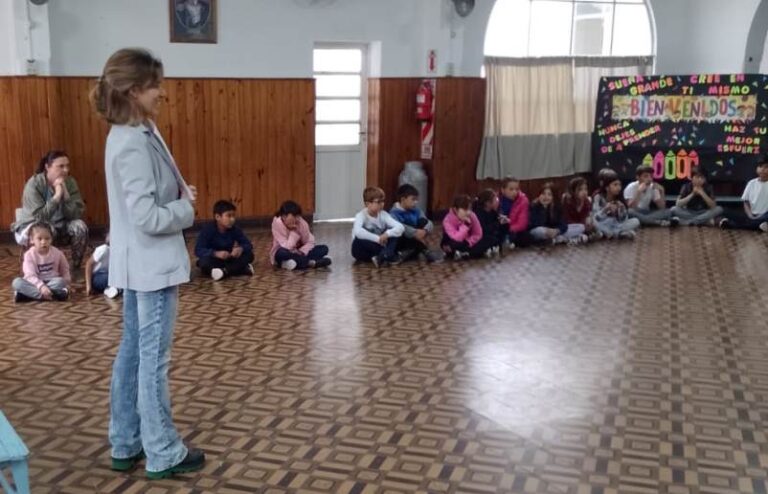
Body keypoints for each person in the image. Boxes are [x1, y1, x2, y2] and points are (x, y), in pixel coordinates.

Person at [91, 47, 205, 479]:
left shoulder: (135, 130)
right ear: (135, 90)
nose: (162, 92)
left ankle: (125, 442)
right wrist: (184, 210)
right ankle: (162, 451)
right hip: (150, 265)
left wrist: (176, 192)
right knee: (151, 360)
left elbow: (151, 196)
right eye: (155, 85)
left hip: (140, 262)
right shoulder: (130, 144)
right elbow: (146, 217)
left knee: (133, 354)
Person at [11, 150, 88, 268]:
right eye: (61, 166)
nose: (66, 170)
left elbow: (76, 214)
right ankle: (43, 268)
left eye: (67, 166)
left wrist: (66, 196)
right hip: (37, 226)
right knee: (47, 229)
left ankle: (75, 267)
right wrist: (57, 197)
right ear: (47, 167)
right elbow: (39, 217)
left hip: (62, 225)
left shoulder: (70, 182)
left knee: (80, 226)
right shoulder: (34, 184)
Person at [194, 200, 255, 280]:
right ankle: (241, 269)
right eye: (228, 216)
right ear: (217, 217)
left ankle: (224, 272)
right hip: (215, 259)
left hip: (230, 258)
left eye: (233, 216)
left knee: (249, 255)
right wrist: (215, 253)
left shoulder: (235, 229)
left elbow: (248, 244)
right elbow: (198, 250)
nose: (232, 219)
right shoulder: (207, 230)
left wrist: (240, 249)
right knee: (203, 262)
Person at [12, 222, 71, 303]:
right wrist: (41, 287)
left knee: (60, 281)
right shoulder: (29, 255)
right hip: (34, 283)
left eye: (47, 238)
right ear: (32, 240)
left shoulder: (58, 253)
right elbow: (29, 275)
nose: (43, 242)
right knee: (17, 282)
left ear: (51, 239)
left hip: (52, 282)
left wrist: (67, 283)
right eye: (39, 239)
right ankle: (54, 295)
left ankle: (25, 295)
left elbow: (65, 269)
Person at [270, 200, 331, 270]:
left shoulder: (302, 223)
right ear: (284, 216)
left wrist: (301, 252)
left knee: (324, 248)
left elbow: (309, 241)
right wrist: (294, 232)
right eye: (294, 216)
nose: (297, 219)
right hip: (285, 251)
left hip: (300, 252)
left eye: (298, 216)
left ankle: (289, 263)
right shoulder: (277, 224)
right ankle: (311, 262)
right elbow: (287, 247)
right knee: (281, 253)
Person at [351, 187, 404, 268]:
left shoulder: (384, 214)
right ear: (368, 204)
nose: (382, 204)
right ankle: (388, 255)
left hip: (379, 247)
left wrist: (387, 234)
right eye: (378, 202)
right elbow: (358, 232)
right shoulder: (360, 215)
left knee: (395, 234)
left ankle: (382, 257)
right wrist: (378, 239)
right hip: (363, 249)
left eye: (383, 201)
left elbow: (400, 227)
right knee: (358, 239)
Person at [389, 184, 442, 263]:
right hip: (402, 241)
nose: (415, 202)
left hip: (416, 238)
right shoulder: (393, 213)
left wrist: (424, 230)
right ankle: (424, 250)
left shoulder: (416, 210)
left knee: (422, 221)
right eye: (413, 199)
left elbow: (429, 223)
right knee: (401, 229)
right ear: (403, 199)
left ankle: (408, 253)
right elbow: (401, 227)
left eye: (416, 199)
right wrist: (415, 233)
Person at [720, 159, 768, 232]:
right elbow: (746, 202)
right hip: (751, 214)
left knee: (764, 217)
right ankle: (758, 226)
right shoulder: (751, 183)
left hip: (765, 215)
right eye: (760, 167)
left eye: (766, 167)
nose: (762, 169)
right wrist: (750, 214)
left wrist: (760, 216)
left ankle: (731, 224)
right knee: (725, 211)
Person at [593, 171, 641, 240]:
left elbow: (623, 220)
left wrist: (620, 210)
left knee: (636, 221)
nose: (619, 188)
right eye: (615, 185)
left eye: (619, 185)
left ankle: (612, 233)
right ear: (607, 187)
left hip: (616, 225)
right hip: (603, 223)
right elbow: (596, 217)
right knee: (593, 222)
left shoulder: (620, 199)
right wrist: (605, 209)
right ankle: (619, 233)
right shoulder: (598, 197)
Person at [441, 194, 489, 260]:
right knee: (453, 244)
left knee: (486, 241)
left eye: (469, 209)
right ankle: (461, 252)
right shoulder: (447, 220)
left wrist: (468, 242)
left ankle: (463, 252)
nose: (468, 212)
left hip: (467, 242)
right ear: (455, 209)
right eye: (465, 210)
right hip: (453, 240)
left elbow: (478, 233)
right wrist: (465, 226)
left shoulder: (472, 215)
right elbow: (456, 238)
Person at [498, 177, 532, 248]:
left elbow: (522, 223)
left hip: (515, 230)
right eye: (511, 189)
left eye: (517, 189)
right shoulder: (497, 201)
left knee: (527, 237)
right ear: (503, 190)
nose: (514, 192)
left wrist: (509, 228)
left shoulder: (523, 201)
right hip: (500, 228)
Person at [85, 233, 121, 299]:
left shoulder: (120, 252)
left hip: (112, 275)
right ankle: (114, 288)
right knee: (108, 278)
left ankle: (111, 289)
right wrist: (88, 286)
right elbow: (89, 264)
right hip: (98, 276)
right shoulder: (103, 250)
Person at [562, 177, 599, 241]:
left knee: (595, 223)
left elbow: (588, 215)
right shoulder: (567, 201)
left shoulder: (587, 202)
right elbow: (567, 220)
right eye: (580, 190)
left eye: (586, 189)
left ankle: (578, 237)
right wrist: (583, 225)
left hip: (581, 226)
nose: (584, 192)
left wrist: (589, 222)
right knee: (580, 228)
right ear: (573, 191)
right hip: (569, 227)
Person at [472, 189, 503, 257]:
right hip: (479, 237)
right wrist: (497, 224)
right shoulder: (479, 214)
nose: (497, 201)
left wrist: (502, 221)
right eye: (495, 200)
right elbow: (483, 229)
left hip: (490, 235)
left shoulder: (493, 212)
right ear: (487, 203)